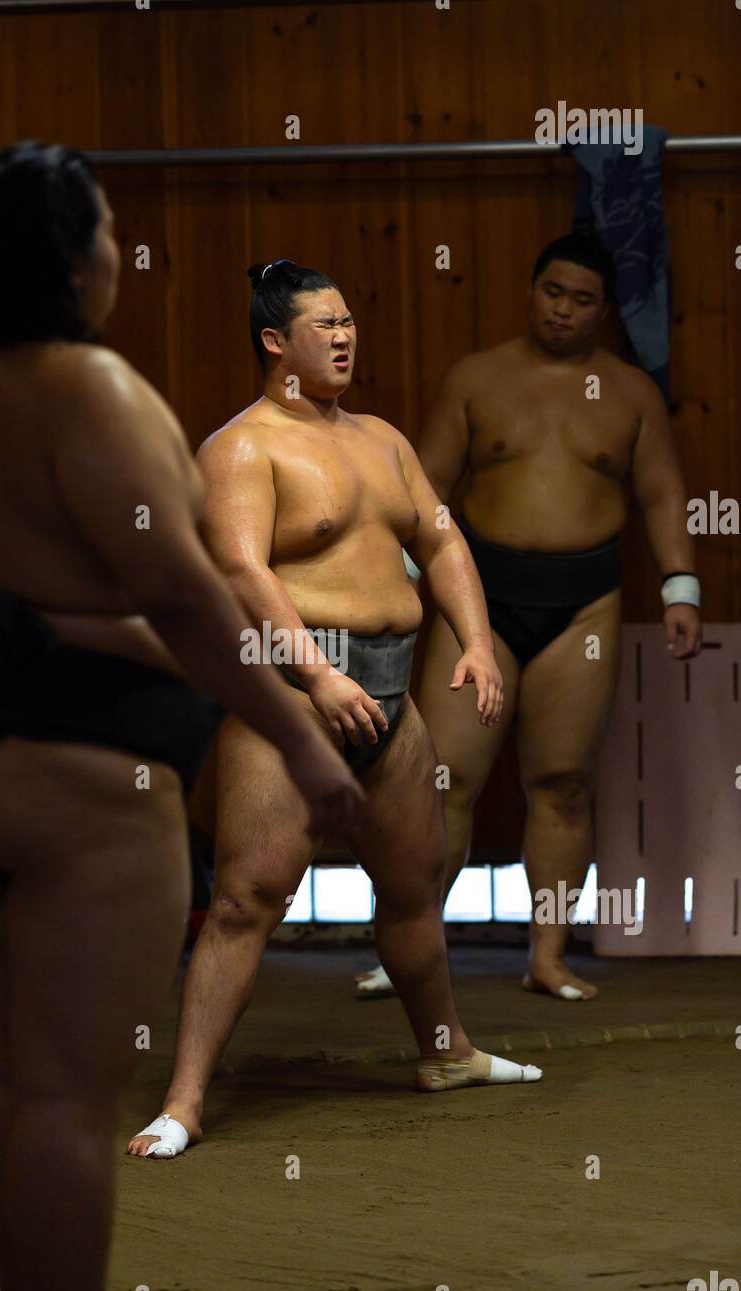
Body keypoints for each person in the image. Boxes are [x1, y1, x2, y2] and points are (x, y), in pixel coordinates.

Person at [0, 144, 364, 1291]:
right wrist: (299, 736)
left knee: (27, 1080)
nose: (115, 253)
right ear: (69, 253)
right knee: (65, 1094)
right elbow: (188, 597)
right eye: (103, 229)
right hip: (85, 769)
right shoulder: (85, 386)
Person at [128, 259, 542, 1162]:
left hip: (390, 695)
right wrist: (316, 677)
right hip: (293, 699)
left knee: (411, 893)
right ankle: (185, 1101)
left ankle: (447, 1054)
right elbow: (242, 573)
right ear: (276, 342)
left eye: (350, 320)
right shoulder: (241, 447)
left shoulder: (384, 440)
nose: (345, 336)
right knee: (248, 899)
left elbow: (439, 540)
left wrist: (472, 637)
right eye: (324, 325)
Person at [377, 233, 700, 1003]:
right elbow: (428, 492)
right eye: (551, 292)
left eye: (581, 299)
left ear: (604, 311)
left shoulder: (628, 394)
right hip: (476, 600)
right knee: (441, 780)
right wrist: (396, 591)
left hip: (583, 603)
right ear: (531, 291)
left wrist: (679, 590)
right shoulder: (476, 379)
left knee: (562, 783)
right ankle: (411, 949)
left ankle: (546, 957)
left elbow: (659, 494)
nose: (562, 309)